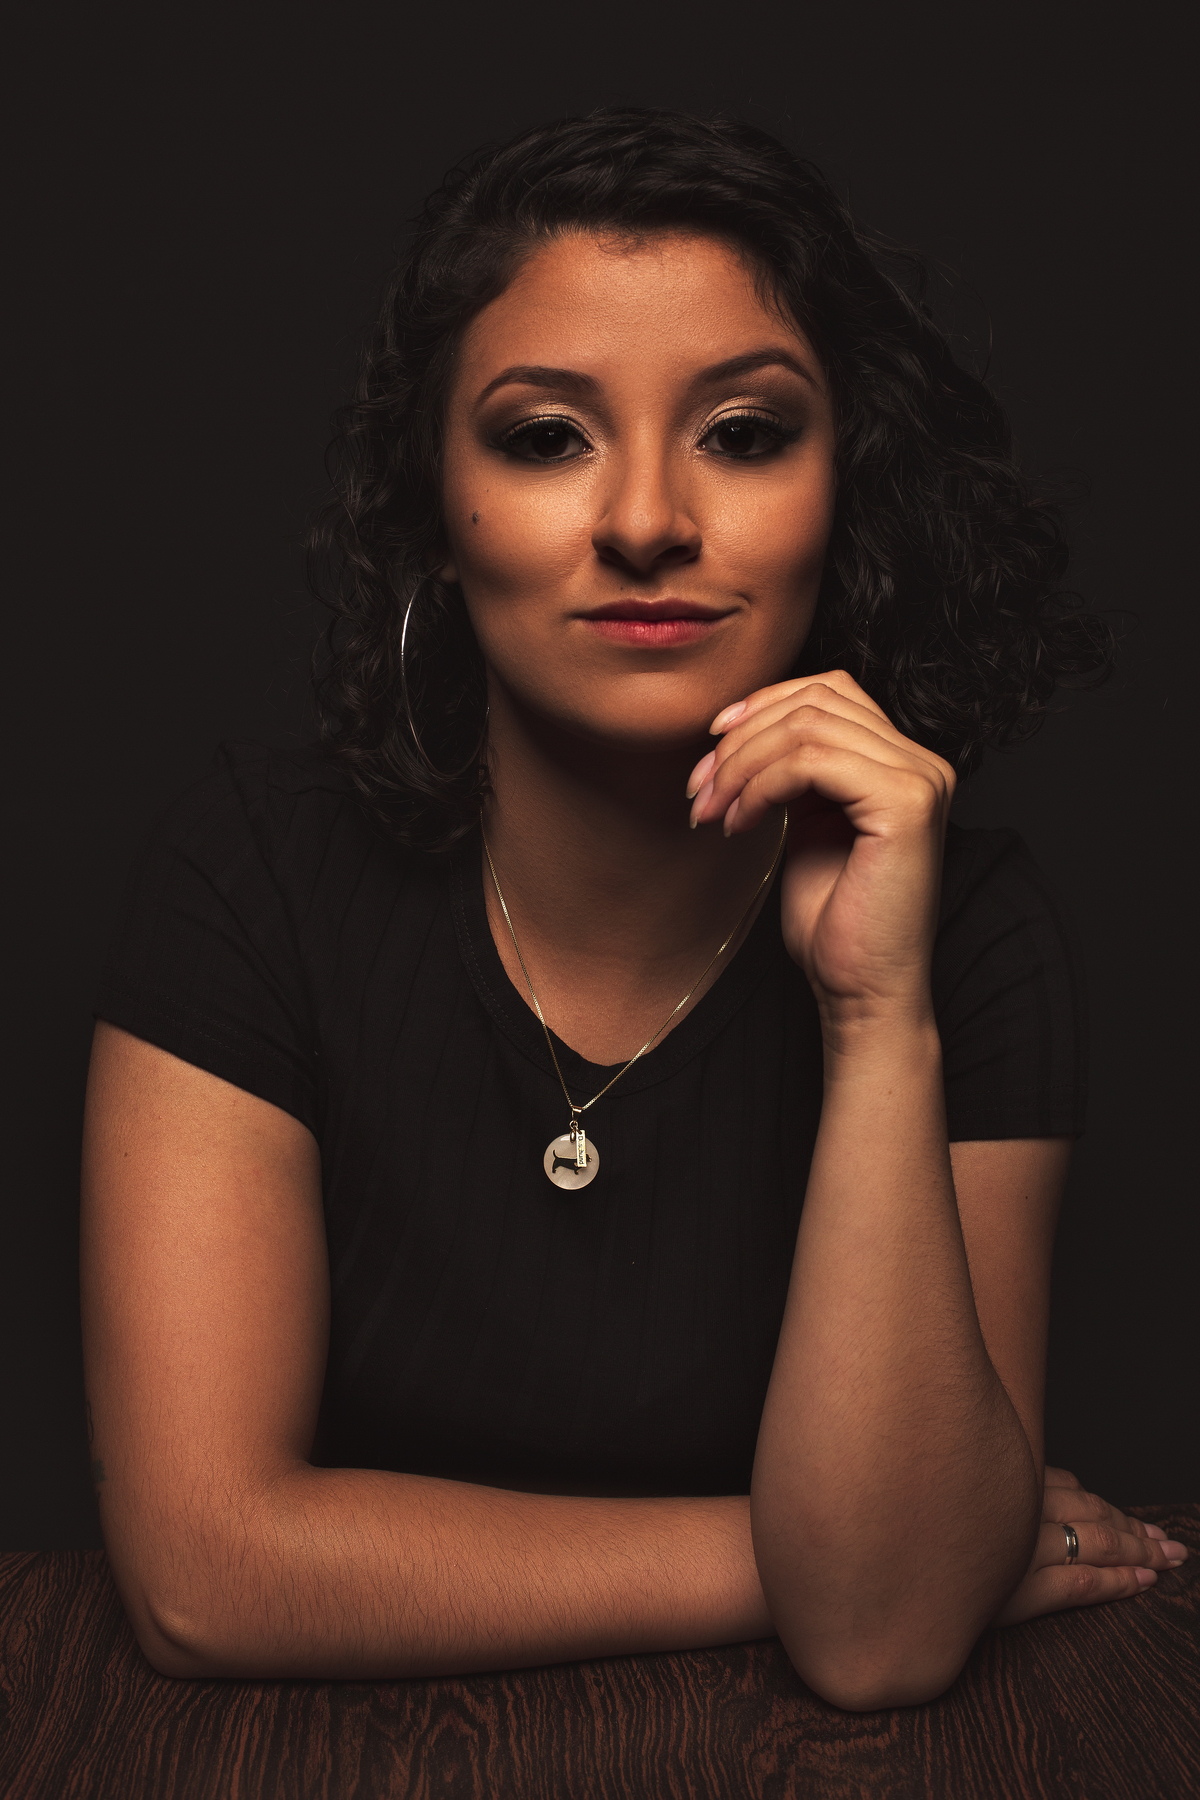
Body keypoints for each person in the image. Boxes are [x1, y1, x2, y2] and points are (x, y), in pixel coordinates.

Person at [79, 108, 1188, 1710]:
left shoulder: (968, 932)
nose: (650, 521)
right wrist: (817, 1554)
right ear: (436, 508)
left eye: (744, 431)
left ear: (846, 492)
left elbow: (881, 1642)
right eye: (547, 438)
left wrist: (875, 1014)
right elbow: (204, 1575)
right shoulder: (248, 876)